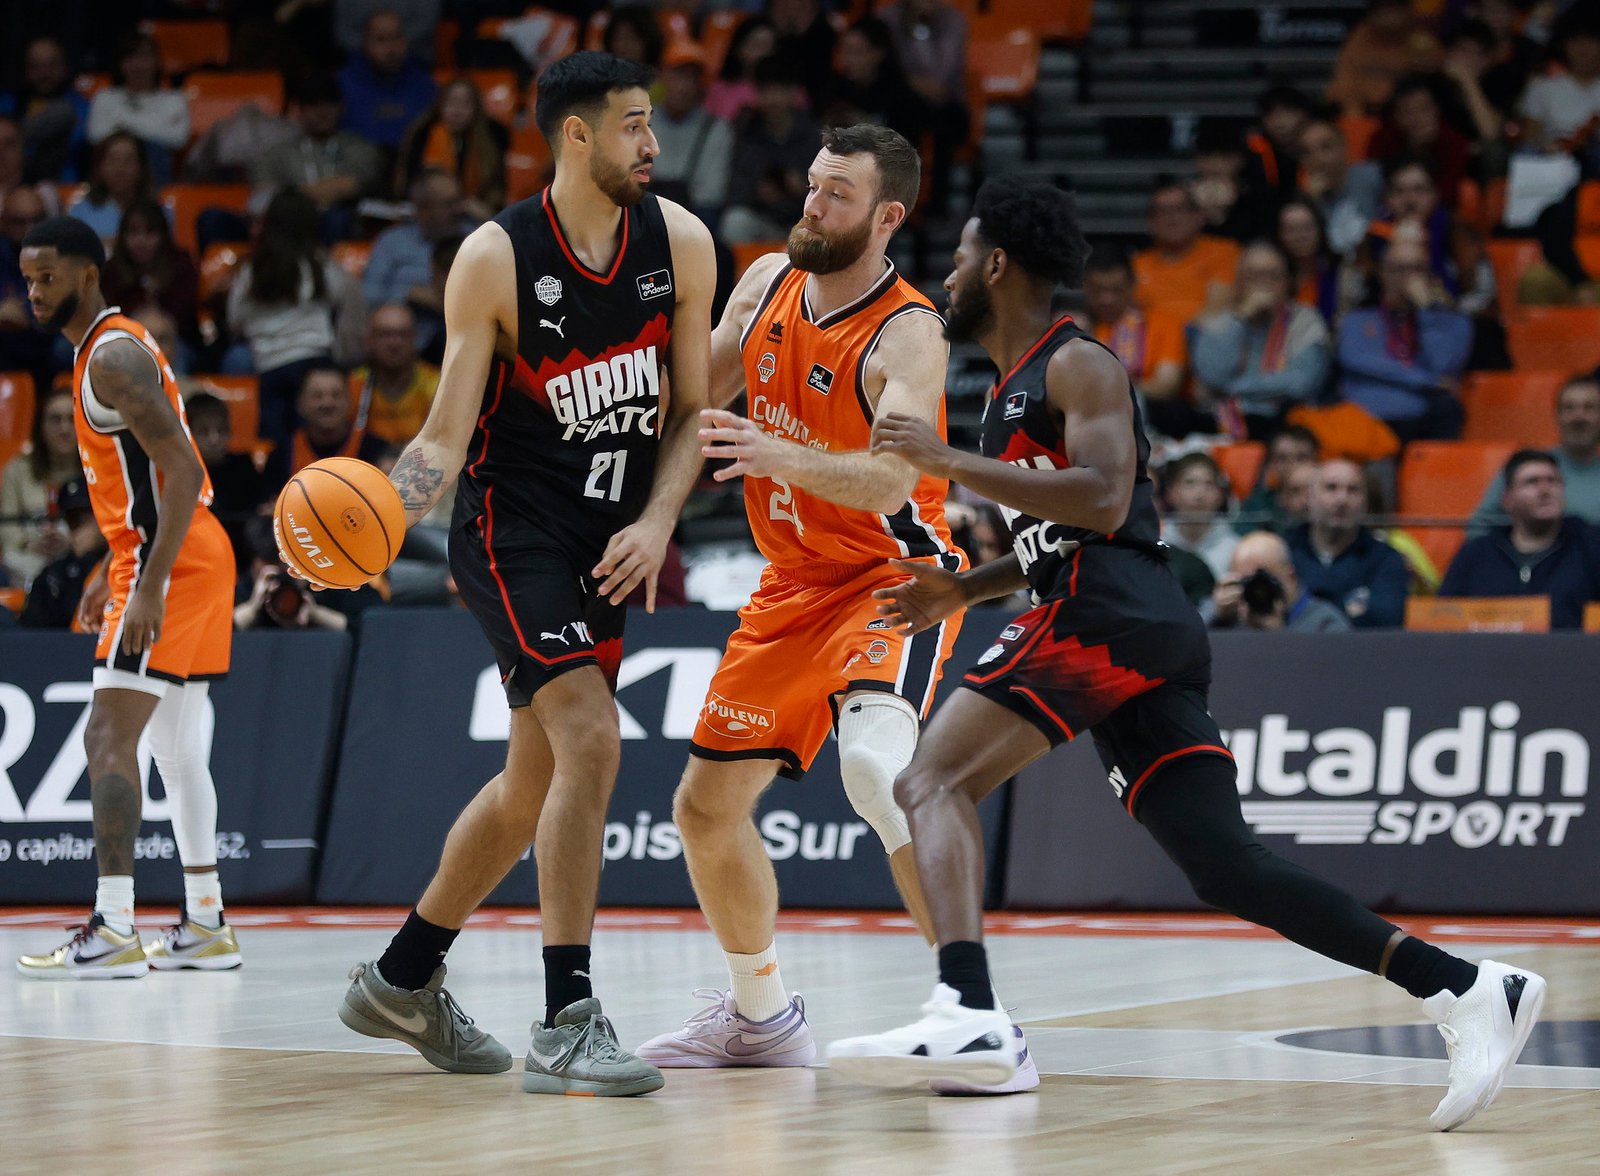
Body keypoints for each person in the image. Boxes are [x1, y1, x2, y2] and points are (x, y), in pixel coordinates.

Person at [820, 179, 1544, 1135]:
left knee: (929, 782)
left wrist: (948, 463)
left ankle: (968, 1009)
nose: (946, 271)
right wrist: (968, 587)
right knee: (1225, 867)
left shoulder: (1078, 365)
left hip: (1109, 613)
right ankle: (1463, 988)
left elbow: (1107, 502)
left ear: (996, 264)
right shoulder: (1007, 394)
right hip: (1123, 617)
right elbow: (1054, 536)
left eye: (957, 255)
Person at [333, 51, 716, 1097]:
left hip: (611, 540)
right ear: (576, 134)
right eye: (633, 125)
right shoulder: (495, 257)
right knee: (591, 740)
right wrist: (372, 518)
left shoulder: (679, 242)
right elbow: (445, 438)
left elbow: (690, 413)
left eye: (651, 124)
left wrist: (657, 518)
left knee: (530, 783)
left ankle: (401, 980)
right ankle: (567, 1015)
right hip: (511, 531)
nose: (652, 142)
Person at [633, 125, 990, 1085]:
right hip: (791, 587)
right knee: (705, 810)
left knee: (878, 771)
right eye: (813, 186)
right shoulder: (761, 285)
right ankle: (760, 1018)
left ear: (887, 218)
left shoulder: (910, 329)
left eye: (838, 196)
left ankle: (974, 1012)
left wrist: (773, 452)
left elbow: (886, 482)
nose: (813, 206)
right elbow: (688, 396)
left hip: (893, 581)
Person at [15, 216, 242, 978]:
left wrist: (145, 587)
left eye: (47, 276)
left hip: (170, 562)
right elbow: (141, 488)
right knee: (174, 751)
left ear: (87, 273)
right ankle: (206, 922)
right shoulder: (112, 348)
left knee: (107, 738)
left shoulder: (110, 360)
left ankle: (113, 926)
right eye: (26, 277)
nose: (34, 291)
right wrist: (105, 577)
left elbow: (181, 471)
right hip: (179, 555)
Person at [224, 187, 366, 447]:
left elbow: (234, 320)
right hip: (316, 364)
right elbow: (346, 300)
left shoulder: (252, 271)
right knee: (313, 446)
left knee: (277, 448)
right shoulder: (321, 266)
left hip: (270, 366)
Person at [1192, 241, 1332, 441]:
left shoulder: (1306, 321)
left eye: (1272, 276)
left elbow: (1301, 383)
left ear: (1288, 281)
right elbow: (1213, 376)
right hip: (1223, 423)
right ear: (1239, 282)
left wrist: (1234, 388)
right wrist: (1241, 319)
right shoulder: (1220, 322)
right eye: (1253, 276)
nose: (1263, 285)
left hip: (1286, 423)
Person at [1443, 450, 1600, 628]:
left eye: (1553, 481)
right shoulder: (1476, 554)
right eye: (1531, 482)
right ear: (1507, 500)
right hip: (1490, 654)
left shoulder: (1591, 547)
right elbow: (1442, 620)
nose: (1545, 490)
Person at [1337, 235, 1471, 443]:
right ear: (1382, 274)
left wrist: (1428, 310)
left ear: (1430, 275)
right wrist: (1427, 381)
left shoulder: (1454, 323)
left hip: (1426, 423)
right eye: (1397, 269)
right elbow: (1357, 359)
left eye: (1416, 269)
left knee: (1448, 408)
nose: (1407, 278)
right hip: (1368, 420)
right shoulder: (1356, 320)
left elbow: (1442, 365)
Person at [252, 73, 385, 240]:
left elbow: (347, 186)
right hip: (289, 226)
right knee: (216, 218)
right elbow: (263, 202)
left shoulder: (360, 148)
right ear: (298, 110)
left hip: (341, 224)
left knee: (336, 217)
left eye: (330, 104)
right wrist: (317, 194)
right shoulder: (275, 154)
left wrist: (290, 196)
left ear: (341, 107)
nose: (323, 112)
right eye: (314, 105)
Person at [1286, 458, 1410, 627]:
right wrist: (1347, 607)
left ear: (1365, 503)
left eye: (1353, 490)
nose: (1342, 499)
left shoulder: (1386, 559)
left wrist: (1303, 609)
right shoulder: (1283, 551)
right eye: (1331, 488)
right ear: (1310, 498)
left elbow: (1384, 625)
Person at [1471, 375, 1600, 529]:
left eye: (1589, 408)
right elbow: (1479, 526)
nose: (1578, 417)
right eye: (1569, 408)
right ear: (1557, 416)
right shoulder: (1527, 466)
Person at [720, 59, 820, 245]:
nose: (773, 98)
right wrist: (759, 192)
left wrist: (802, 191)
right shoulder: (746, 133)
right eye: (765, 91)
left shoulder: (814, 136)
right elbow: (733, 189)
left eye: (779, 90)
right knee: (735, 221)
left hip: (803, 222)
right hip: (761, 219)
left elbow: (831, 198)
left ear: (793, 93)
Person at [1082, 245, 1186, 409]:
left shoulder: (1164, 324)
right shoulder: (1075, 327)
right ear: (1085, 287)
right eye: (1098, 290)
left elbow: (1167, 384)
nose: (1107, 299)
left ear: (1132, 285)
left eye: (1116, 290)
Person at [395, 77, 509, 223]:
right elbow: (407, 186)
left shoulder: (490, 142)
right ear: (440, 105)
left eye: (465, 103)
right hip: (425, 215)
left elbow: (495, 193)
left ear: (476, 108)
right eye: (451, 102)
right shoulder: (422, 135)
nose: (457, 110)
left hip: (473, 217)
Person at [100, 197, 202, 357]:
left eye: (149, 232)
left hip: (176, 341)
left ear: (163, 235)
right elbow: (109, 318)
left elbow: (184, 318)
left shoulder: (181, 266)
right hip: (124, 342)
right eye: (133, 232)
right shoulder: (113, 270)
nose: (141, 241)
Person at [264, 363, 389, 491]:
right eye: (317, 396)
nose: (327, 403)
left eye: (336, 395)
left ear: (349, 401)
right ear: (300, 403)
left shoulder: (376, 450)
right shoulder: (283, 455)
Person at [0, 384, 79, 585]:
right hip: (25, 561)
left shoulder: (99, 471)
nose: (64, 429)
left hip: (79, 561)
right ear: (40, 428)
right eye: (55, 420)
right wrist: (30, 543)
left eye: (72, 420)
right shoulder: (17, 470)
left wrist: (71, 542)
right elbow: (6, 529)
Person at [86, 32, 190, 184]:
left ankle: (150, 204)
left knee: (152, 149)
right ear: (121, 63)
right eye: (131, 57)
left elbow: (178, 138)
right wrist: (154, 126)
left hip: (156, 173)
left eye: (145, 56)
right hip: (109, 176)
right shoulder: (105, 97)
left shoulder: (174, 99)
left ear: (156, 61)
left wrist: (122, 124)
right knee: (118, 151)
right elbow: (96, 135)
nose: (138, 64)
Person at [647, 47, 735, 227]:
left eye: (692, 78)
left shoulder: (716, 128)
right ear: (662, 77)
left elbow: (712, 194)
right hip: (646, 211)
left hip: (696, 216)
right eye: (677, 76)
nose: (684, 86)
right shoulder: (641, 123)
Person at [1131, 183, 1240, 326]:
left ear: (1199, 216)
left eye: (1179, 209)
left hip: (1205, 338)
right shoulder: (1135, 265)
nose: (1172, 218)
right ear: (1150, 222)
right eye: (1162, 211)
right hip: (1152, 343)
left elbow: (1217, 309)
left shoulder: (1224, 252)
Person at [362, 170, 475, 308]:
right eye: (449, 204)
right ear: (424, 210)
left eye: (460, 200)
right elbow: (369, 295)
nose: (460, 209)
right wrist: (408, 294)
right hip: (408, 324)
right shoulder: (392, 242)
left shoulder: (476, 240)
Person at [338, 8, 439, 152]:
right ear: (365, 43)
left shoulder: (426, 87)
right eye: (381, 40)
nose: (391, 49)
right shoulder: (342, 86)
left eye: (397, 38)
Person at [1209, 529, 1351, 631]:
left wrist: (1278, 636)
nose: (1257, 590)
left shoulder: (1325, 623)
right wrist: (1216, 617)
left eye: (1264, 579)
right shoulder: (1228, 618)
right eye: (1247, 582)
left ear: (1291, 576)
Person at [17, 473, 105, 629]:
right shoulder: (52, 577)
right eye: (72, 522)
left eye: (84, 520)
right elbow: (30, 638)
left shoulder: (124, 564)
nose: (77, 530)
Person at [1325, 0, 1441, 117]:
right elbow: (1345, 79)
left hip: (1407, 114)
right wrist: (1355, 113)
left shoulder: (1420, 38)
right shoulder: (1361, 36)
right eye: (1383, 10)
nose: (1388, 16)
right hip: (1364, 112)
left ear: (1407, 11)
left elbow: (1430, 81)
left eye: (1394, 10)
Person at [351, 303, 440, 447]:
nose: (395, 343)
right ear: (369, 340)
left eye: (403, 334)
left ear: (415, 339)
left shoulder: (437, 384)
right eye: (385, 334)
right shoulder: (354, 386)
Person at [1296, 115, 1384, 257]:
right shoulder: (1304, 199)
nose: (1317, 158)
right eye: (1307, 152)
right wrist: (1311, 204)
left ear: (1343, 146)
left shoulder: (1373, 176)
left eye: (1325, 147)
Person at [1517, 8, 1600, 154]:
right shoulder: (1542, 86)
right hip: (1553, 159)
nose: (1584, 49)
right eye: (1576, 41)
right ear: (1564, 45)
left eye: (1591, 41)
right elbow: (1530, 138)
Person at [15, 37, 89, 183]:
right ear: (26, 70)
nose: (44, 73)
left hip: (66, 185)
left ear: (65, 67)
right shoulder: (9, 105)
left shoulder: (81, 106)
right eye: (36, 66)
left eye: (52, 65)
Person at [67, 132, 156, 249]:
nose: (120, 169)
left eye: (128, 161)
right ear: (99, 167)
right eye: (112, 161)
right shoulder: (80, 211)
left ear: (141, 167)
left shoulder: (157, 212)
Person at [1158, 452, 1237, 580]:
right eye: (1189, 483)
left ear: (1220, 494)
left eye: (1209, 484)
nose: (1200, 494)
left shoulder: (1235, 550)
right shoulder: (1156, 544)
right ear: (1171, 492)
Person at [1235, 423, 1319, 534]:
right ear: (1271, 464)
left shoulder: (1330, 499)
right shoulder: (1258, 503)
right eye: (1282, 458)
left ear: (1316, 461)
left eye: (1301, 457)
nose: (1292, 465)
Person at [705, 16, 777, 123]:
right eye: (755, 46)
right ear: (738, 49)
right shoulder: (718, 90)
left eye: (767, 47)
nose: (762, 54)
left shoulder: (787, 90)